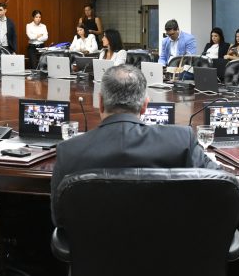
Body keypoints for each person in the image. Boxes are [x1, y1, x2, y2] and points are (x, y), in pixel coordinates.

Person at [49, 64, 223, 224]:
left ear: (100, 103)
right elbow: (223, 184)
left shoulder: (68, 150)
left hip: (93, 246)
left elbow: (59, 218)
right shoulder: (181, 140)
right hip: (167, 244)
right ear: (145, 105)